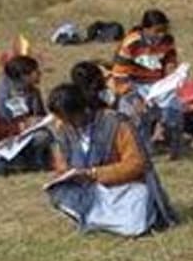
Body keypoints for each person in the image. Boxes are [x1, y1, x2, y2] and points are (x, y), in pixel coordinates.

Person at [44, 83, 177, 237]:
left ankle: (99, 221)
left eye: (67, 117)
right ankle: (102, 220)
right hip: (92, 191)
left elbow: (136, 165)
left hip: (124, 189)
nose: (63, 122)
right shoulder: (65, 129)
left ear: (81, 109)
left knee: (138, 207)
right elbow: (63, 164)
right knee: (60, 192)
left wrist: (95, 173)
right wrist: (64, 175)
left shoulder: (116, 123)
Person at [112, 9, 185, 158]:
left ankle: (175, 148)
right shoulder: (131, 43)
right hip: (133, 84)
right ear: (145, 29)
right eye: (157, 31)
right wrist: (134, 98)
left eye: (164, 30)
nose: (161, 35)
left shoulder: (167, 41)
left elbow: (169, 61)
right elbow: (119, 76)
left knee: (173, 114)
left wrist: (173, 74)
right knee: (137, 117)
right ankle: (142, 152)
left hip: (158, 85)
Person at [0, 55, 53, 177]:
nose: (39, 74)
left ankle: (32, 162)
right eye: (35, 71)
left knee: (43, 136)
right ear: (23, 76)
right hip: (2, 142)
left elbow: (40, 116)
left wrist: (38, 121)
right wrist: (19, 127)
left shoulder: (33, 93)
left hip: (27, 139)